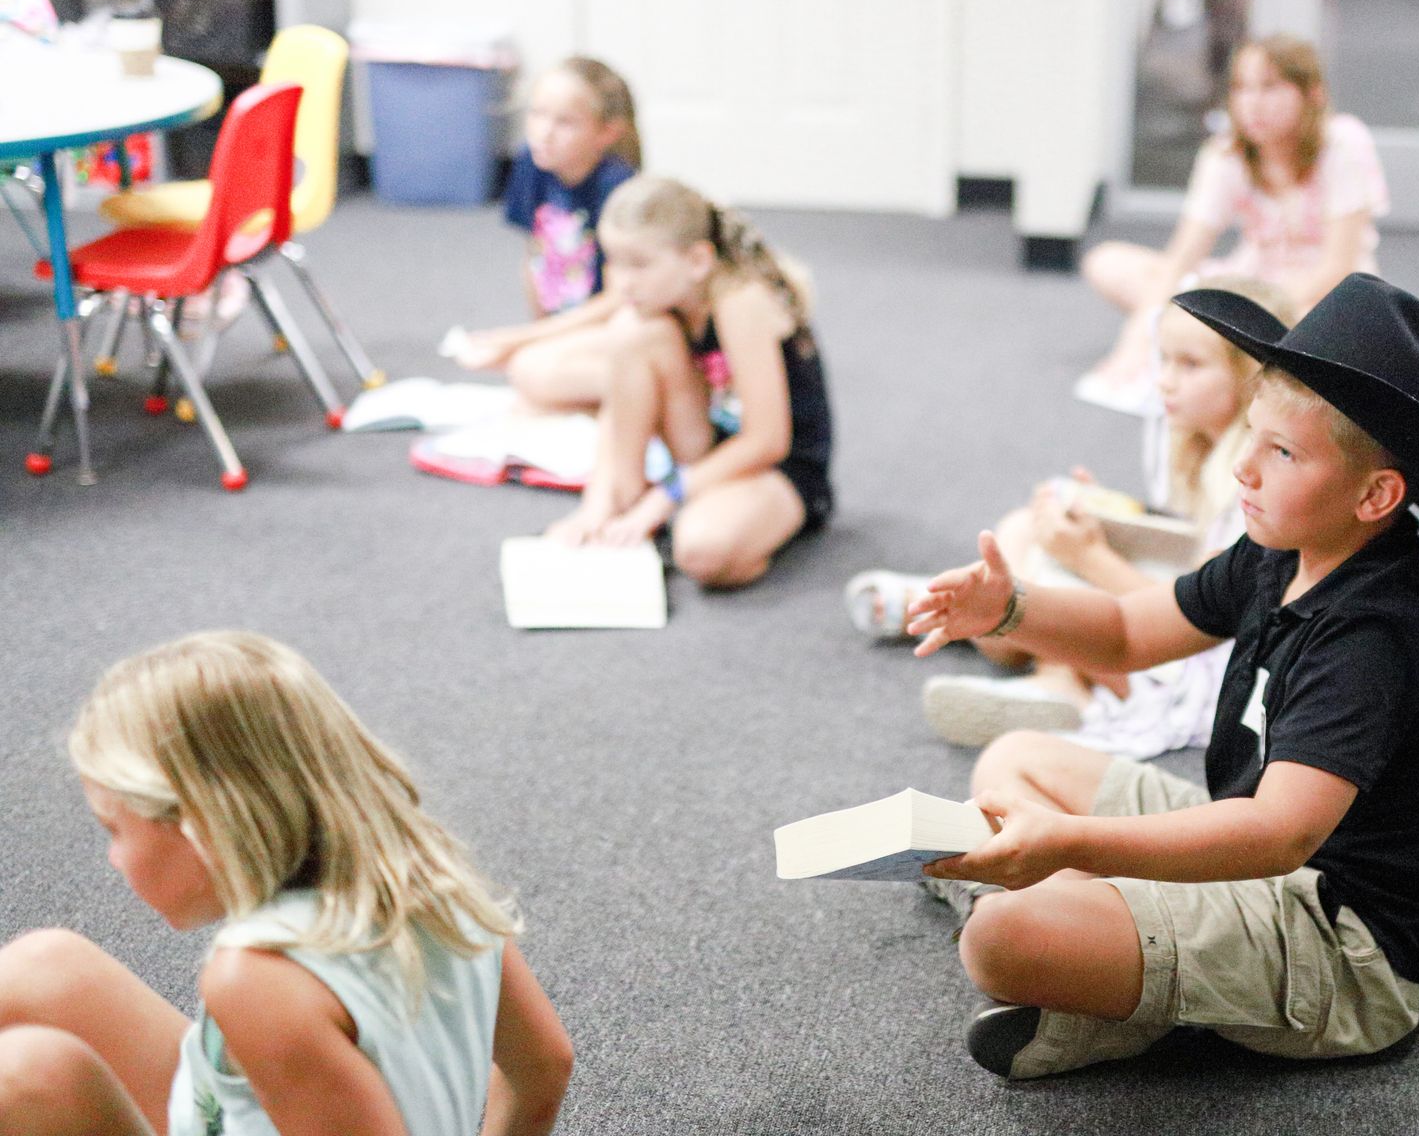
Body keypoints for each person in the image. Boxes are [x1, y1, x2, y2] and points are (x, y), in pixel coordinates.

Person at [904, 274, 1419, 1081]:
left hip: (1337, 944)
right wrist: (1008, 609)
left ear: (1376, 494)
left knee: (1001, 939)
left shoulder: (1376, 633)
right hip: (1254, 850)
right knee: (1016, 761)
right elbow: (1128, 634)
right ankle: (1110, 957)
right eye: (1251, 437)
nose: (1244, 471)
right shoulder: (1278, 554)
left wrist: (1072, 845)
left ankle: (1107, 980)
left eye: (1282, 452)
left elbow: (1278, 835)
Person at [0, 631, 574, 1134]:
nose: (111, 858)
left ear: (201, 825)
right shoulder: (429, 879)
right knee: (46, 966)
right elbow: (545, 1067)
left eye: (115, 829)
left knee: (32, 1078)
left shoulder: (259, 980)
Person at [847, 277, 1279, 756]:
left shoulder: (1257, 486)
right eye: (1164, 359)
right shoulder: (1191, 442)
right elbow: (1187, 550)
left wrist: (1091, 556)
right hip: (1178, 608)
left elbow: (1199, 615)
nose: (1165, 380)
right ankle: (1027, 660)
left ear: (1252, 379)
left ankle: (983, 633)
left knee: (1051, 572)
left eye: (1191, 365)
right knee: (1021, 531)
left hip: (1200, 665)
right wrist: (1117, 516)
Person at [545, 175, 833, 588]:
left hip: (779, 468)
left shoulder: (740, 301)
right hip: (705, 451)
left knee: (702, 550)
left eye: (639, 264)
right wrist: (595, 506)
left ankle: (716, 518)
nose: (623, 281)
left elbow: (769, 441)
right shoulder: (657, 301)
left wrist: (666, 496)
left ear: (698, 261)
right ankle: (628, 507)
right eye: (614, 261)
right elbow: (618, 410)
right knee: (628, 330)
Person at [1075, 35, 1387, 414]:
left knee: (1318, 332)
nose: (1252, 104)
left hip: (1326, 294)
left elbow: (1337, 266)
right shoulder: (1225, 154)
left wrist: (1248, 312)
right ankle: (1225, 347)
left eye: (1270, 87)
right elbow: (1182, 257)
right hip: (1251, 279)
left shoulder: (1343, 143)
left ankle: (1224, 345)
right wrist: (1132, 346)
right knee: (1108, 262)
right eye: (1242, 88)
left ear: (1312, 94)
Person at [455, 56, 642, 411]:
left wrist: (523, 340)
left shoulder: (618, 189)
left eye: (565, 122)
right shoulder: (533, 164)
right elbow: (536, 259)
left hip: (615, 325)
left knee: (529, 371)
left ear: (607, 133)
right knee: (528, 376)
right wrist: (539, 335)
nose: (544, 132)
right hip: (568, 326)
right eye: (537, 114)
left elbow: (619, 300)